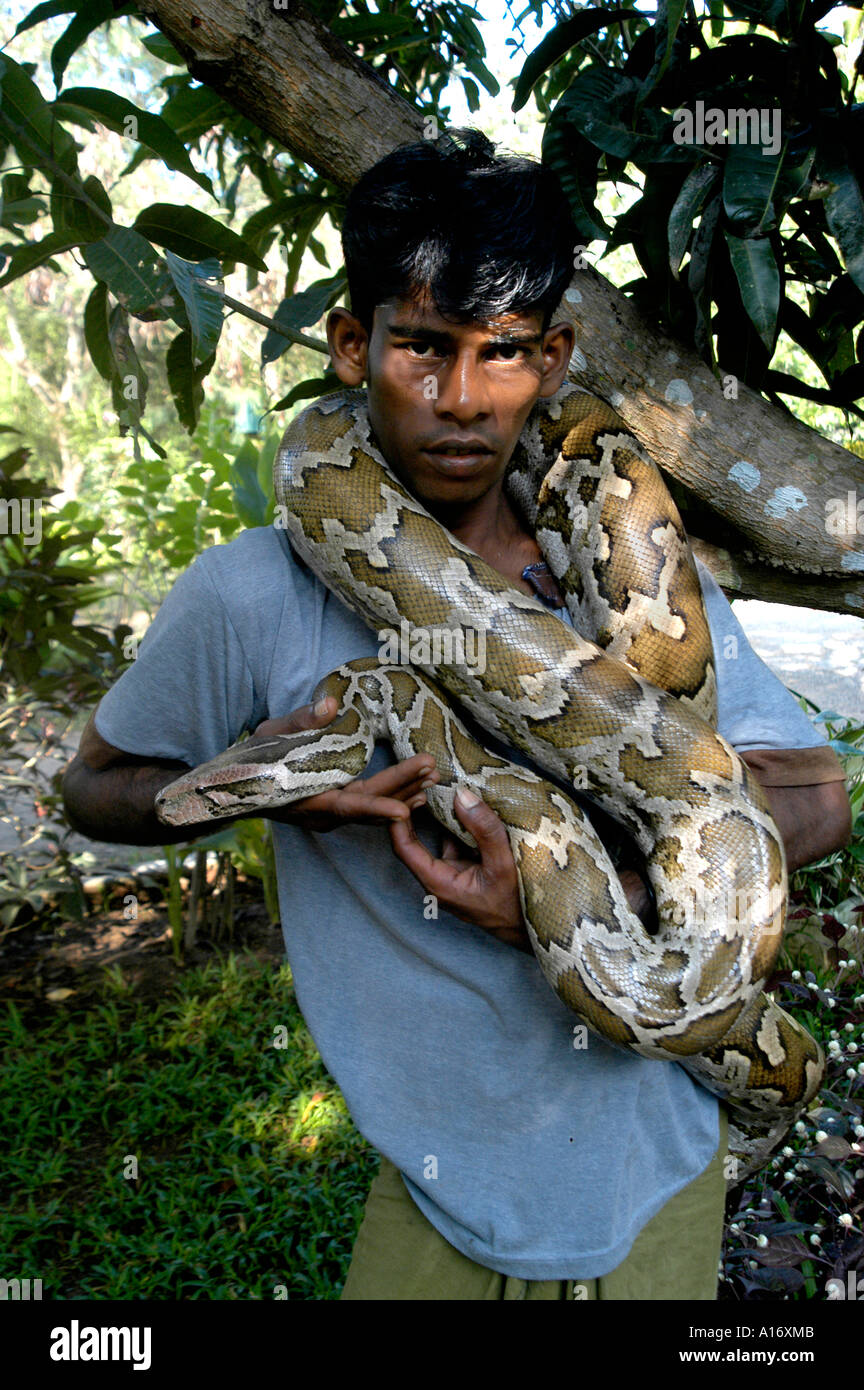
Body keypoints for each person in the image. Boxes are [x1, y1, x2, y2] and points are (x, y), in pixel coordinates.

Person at [63, 130, 851, 1301]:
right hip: (440, 1201)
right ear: (351, 343)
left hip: (659, 1182)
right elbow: (99, 789)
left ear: (554, 362)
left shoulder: (644, 581)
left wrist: (587, 895)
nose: (463, 399)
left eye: (506, 356)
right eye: (423, 347)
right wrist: (274, 789)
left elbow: (821, 796)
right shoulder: (247, 598)